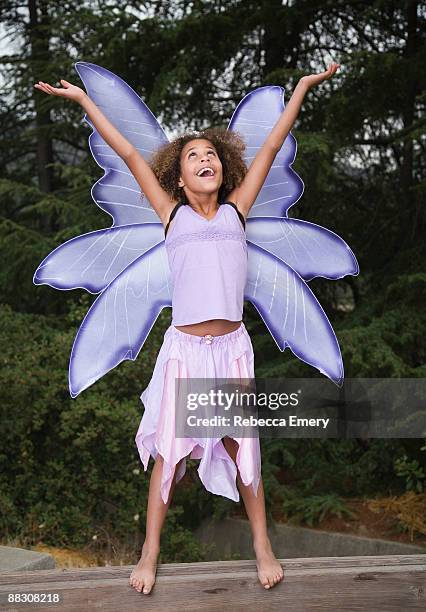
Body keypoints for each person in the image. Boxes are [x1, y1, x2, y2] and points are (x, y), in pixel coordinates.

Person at [34, 61, 340, 595]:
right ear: (179, 175)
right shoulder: (170, 214)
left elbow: (270, 146)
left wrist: (301, 91)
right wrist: (85, 104)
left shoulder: (237, 213)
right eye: (195, 155)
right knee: (169, 456)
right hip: (187, 352)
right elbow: (129, 153)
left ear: (225, 171)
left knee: (244, 446)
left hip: (231, 351)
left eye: (213, 155)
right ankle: (149, 552)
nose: (206, 159)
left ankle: (262, 545)